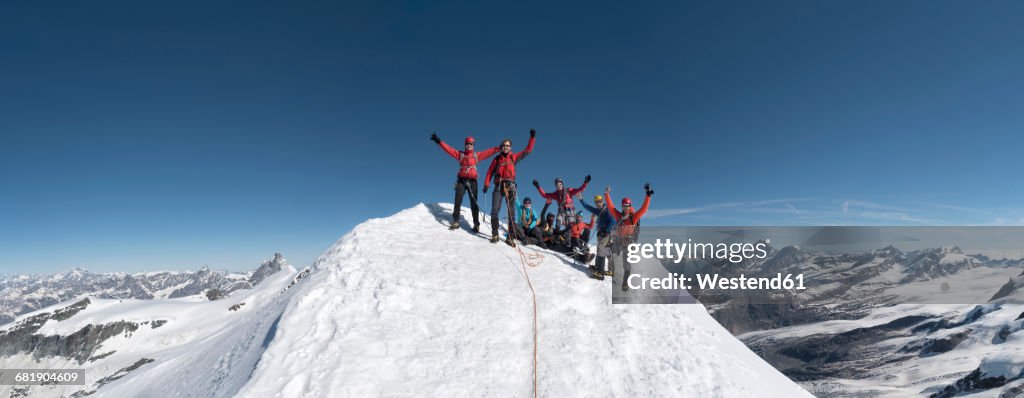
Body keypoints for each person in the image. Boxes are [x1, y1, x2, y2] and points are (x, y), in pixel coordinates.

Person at [430, 133, 500, 232]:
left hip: (473, 181)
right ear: (465, 145)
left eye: (471, 144)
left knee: (474, 203)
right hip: (461, 180)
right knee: (457, 200)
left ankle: (476, 224)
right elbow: (449, 149)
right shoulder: (460, 155)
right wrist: (439, 141)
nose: (469, 145)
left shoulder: (477, 156)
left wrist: (498, 148)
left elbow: (489, 152)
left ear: (473, 145)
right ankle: (455, 221)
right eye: (467, 143)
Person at [483, 129, 536, 245]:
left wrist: (532, 138)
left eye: (507, 145)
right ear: (501, 147)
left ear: (510, 147)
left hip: (510, 185)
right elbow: (489, 172)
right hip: (498, 185)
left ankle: (510, 237)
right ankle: (495, 234)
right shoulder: (496, 159)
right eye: (504, 145)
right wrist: (486, 184)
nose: (505, 147)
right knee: (495, 210)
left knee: (511, 212)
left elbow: (528, 151)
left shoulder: (514, 157)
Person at [605, 183, 653, 291]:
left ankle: (625, 282)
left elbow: (643, 209)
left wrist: (648, 196)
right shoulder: (619, 216)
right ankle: (612, 272)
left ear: (630, 206)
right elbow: (611, 207)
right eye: (623, 206)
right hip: (619, 240)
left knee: (626, 263)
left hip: (629, 243)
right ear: (622, 206)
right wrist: (606, 195)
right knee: (610, 252)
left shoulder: (633, 217)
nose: (625, 208)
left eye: (627, 206)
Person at [578, 193, 617, 279]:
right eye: (596, 202)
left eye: (600, 201)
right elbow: (587, 207)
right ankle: (603, 268)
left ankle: (600, 273)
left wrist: (606, 231)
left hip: (607, 234)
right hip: (602, 233)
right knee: (603, 251)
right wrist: (581, 199)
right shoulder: (598, 211)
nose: (598, 203)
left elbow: (613, 221)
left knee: (601, 251)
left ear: (602, 201)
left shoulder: (607, 210)